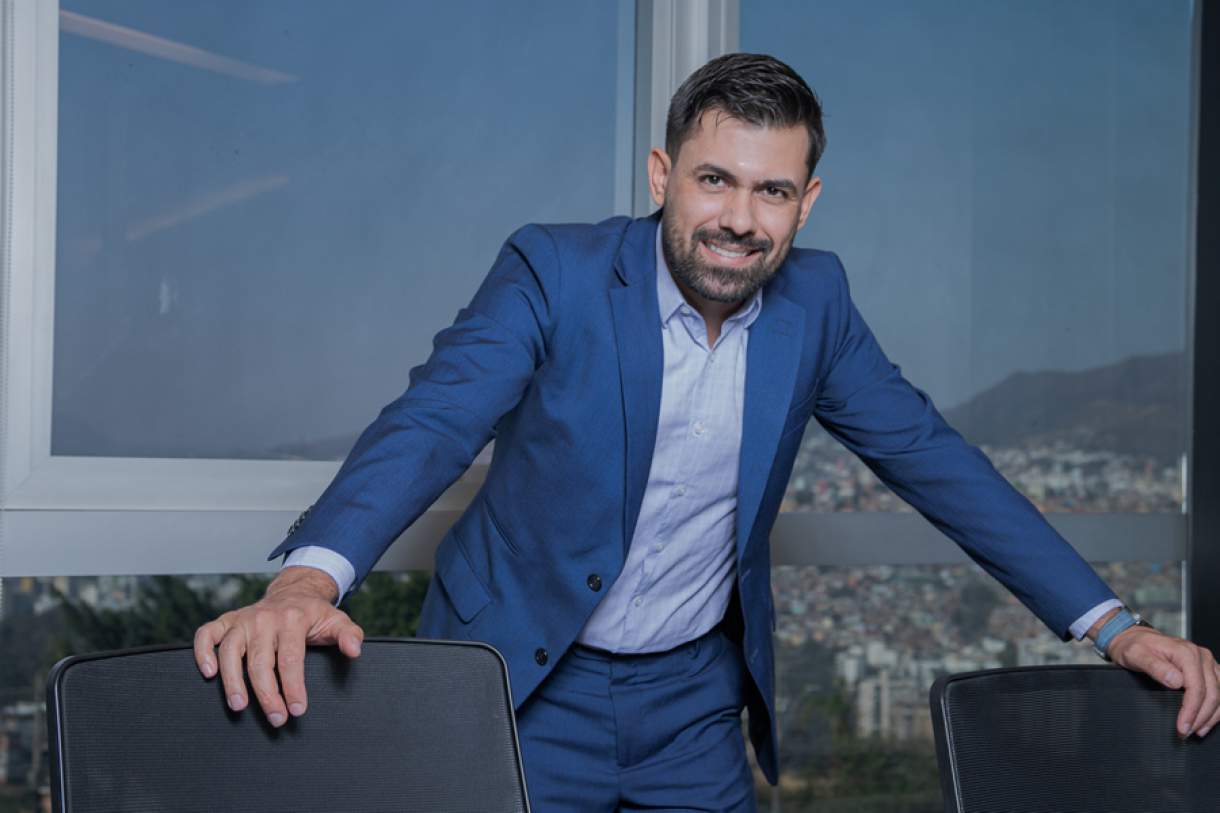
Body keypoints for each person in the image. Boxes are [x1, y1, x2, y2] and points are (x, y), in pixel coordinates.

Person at [194, 53, 1220, 811]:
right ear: (661, 176)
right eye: (713, 179)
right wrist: (308, 582)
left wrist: (1113, 626)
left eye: (771, 190)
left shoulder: (816, 304)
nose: (738, 216)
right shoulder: (553, 271)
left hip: (690, 704)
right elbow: (434, 418)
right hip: (518, 682)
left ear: (806, 203)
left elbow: (936, 463)